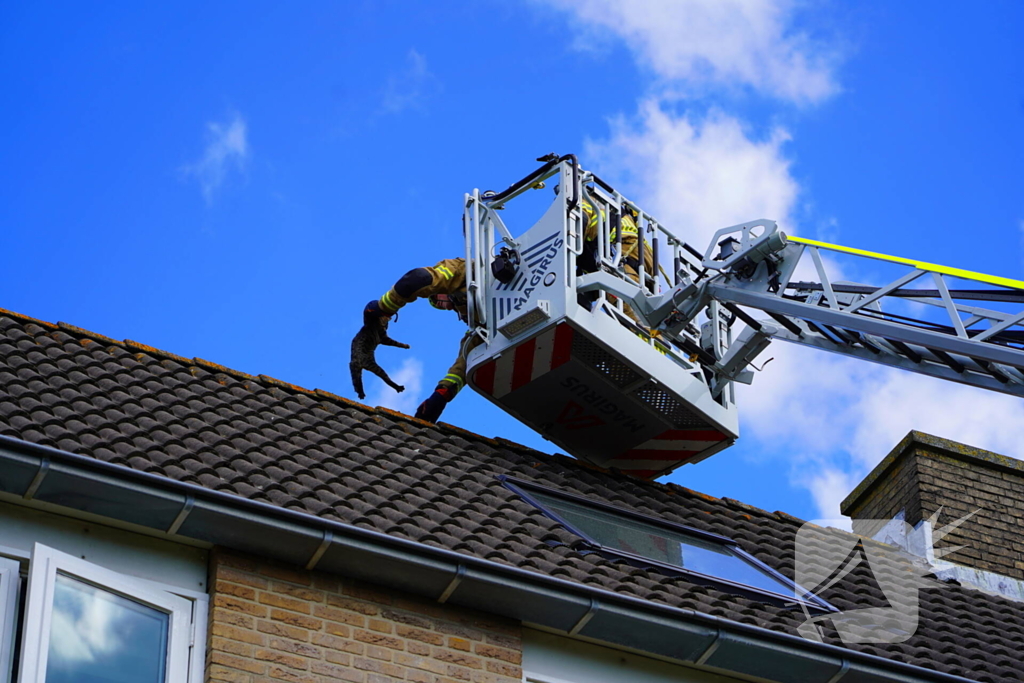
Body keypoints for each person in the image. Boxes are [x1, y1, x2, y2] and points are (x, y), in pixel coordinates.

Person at [363, 258, 479, 423]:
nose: (444, 305)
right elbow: (470, 357)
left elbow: (417, 279)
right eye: (437, 305)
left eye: (437, 298)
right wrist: (441, 395)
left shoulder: (464, 270)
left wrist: (383, 309)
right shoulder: (485, 324)